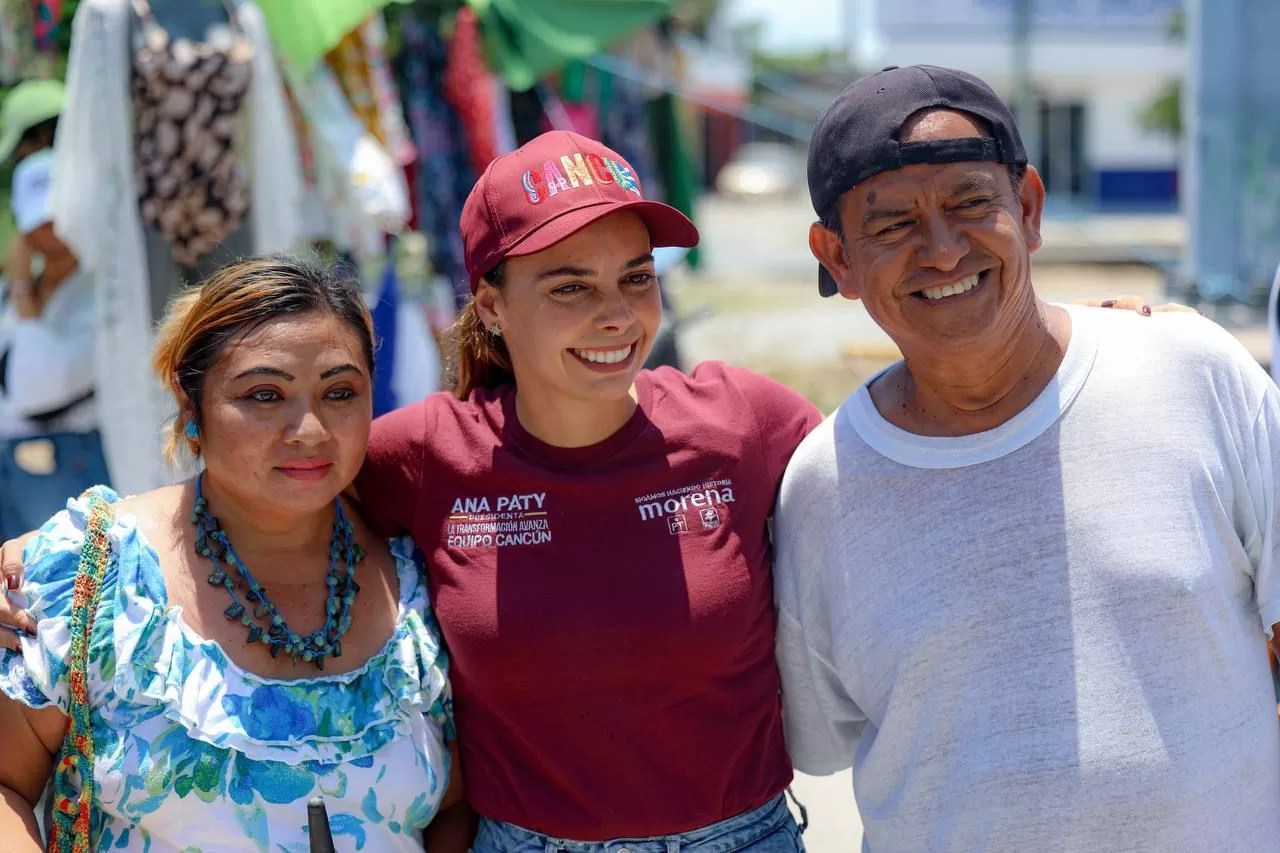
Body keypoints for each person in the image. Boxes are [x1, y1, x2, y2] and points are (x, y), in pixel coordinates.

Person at [0, 129, 1179, 847]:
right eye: (567, 285)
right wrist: (43, 562)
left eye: (632, 276)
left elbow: (926, 452)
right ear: (491, 308)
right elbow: (254, 498)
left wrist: (1069, 344)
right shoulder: (414, 455)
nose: (615, 315)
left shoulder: (747, 424)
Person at [773, 64, 1280, 852]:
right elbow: (821, 738)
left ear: (1030, 207)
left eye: (972, 203)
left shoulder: (1192, 374)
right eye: (894, 223)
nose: (942, 250)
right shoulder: (821, 486)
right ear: (835, 256)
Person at [0, 257, 467, 851]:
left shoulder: (422, 583)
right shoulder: (92, 573)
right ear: (190, 406)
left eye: (340, 392)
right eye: (264, 395)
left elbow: (453, 808)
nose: (309, 429)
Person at [0, 79, 109, 540]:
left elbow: (36, 388)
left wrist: (22, 286)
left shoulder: (102, 291)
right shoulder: (16, 288)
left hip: (68, 468)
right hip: (14, 471)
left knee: (76, 604)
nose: (47, 231)